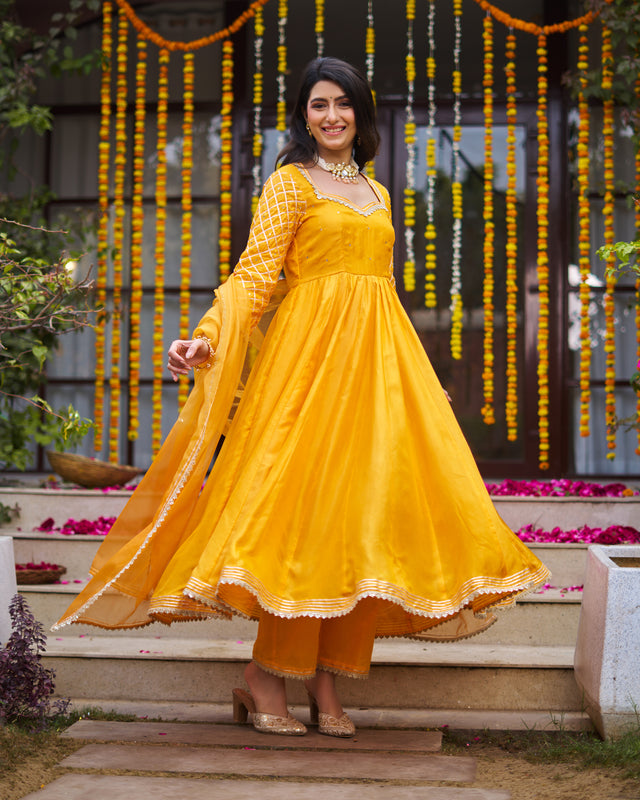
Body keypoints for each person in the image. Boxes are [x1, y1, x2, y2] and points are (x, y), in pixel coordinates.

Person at [54, 57, 550, 738]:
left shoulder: (376, 193)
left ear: (360, 113)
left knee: (357, 521)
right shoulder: (289, 184)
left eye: (343, 103)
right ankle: (265, 677)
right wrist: (207, 338)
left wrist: (413, 375)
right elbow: (254, 277)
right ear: (305, 117)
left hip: (376, 375)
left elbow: (380, 292)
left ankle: (327, 681)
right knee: (305, 517)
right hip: (309, 375)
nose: (332, 116)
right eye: (319, 105)